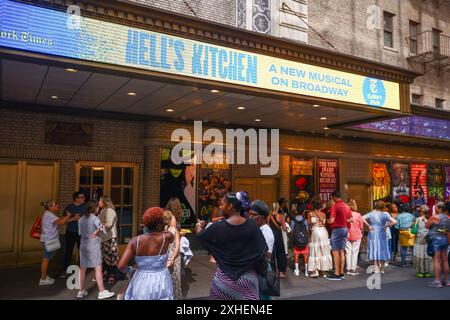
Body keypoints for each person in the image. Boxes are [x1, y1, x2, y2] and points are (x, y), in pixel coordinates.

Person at [196, 192, 268, 300]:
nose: (220, 206)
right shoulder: (252, 226)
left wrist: (198, 226)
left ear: (230, 206)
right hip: (248, 282)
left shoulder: (218, 227)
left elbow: (201, 236)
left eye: (223, 203)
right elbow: (262, 252)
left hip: (223, 282)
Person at [118, 207, 175, 299]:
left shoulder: (135, 241)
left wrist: (131, 269)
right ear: (160, 223)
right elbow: (172, 231)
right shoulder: (167, 237)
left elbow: (121, 266)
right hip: (161, 279)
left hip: (141, 279)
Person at [76, 201, 115, 299]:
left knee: (82, 269)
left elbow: (80, 233)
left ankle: (81, 291)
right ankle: (102, 291)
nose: (98, 209)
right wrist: (98, 230)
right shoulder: (95, 219)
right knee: (98, 268)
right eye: (98, 208)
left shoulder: (81, 219)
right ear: (95, 209)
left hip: (83, 245)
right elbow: (103, 230)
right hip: (93, 245)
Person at [40, 200, 71, 285]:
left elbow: (60, 221)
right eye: (55, 204)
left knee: (47, 258)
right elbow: (61, 222)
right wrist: (68, 215)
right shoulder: (49, 214)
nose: (57, 205)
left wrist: (69, 218)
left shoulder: (49, 214)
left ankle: (44, 276)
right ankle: (43, 279)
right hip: (49, 240)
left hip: (48, 239)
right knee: (46, 259)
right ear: (50, 206)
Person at [248, 200, 274, 300]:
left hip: (262, 270)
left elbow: (265, 255)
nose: (250, 217)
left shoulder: (266, 231)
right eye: (249, 214)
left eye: (254, 215)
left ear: (262, 217)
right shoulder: (256, 228)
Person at [363, 201, 397, 274]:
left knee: (374, 248)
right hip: (382, 232)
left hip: (373, 232)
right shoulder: (385, 215)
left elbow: (362, 218)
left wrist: (368, 225)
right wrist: (386, 226)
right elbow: (394, 221)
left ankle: (375, 268)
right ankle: (382, 269)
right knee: (382, 249)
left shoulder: (371, 213)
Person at [326, 191, 352, 280]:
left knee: (335, 251)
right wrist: (344, 221)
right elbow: (351, 219)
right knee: (342, 251)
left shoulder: (335, 206)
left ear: (334, 197)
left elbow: (332, 220)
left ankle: (336, 273)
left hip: (337, 230)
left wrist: (327, 221)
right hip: (345, 229)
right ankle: (341, 272)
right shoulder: (346, 206)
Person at [61, 191, 86, 278]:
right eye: (82, 197)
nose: (84, 198)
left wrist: (81, 219)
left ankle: (82, 271)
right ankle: (65, 270)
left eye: (83, 197)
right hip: (70, 232)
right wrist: (73, 218)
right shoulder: (69, 208)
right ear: (76, 199)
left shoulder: (85, 207)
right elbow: (63, 221)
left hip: (81, 233)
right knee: (68, 251)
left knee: (82, 252)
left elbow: (90, 219)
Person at [425, 202, 449, 287]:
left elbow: (427, 225)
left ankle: (437, 281)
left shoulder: (435, 217)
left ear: (439, 208)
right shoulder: (447, 217)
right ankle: (446, 280)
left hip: (436, 240)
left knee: (436, 260)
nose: (434, 208)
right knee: (445, 260)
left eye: (436, 207)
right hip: (445, 239)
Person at [307, 196, 332, 278]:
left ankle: (314, 270)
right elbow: (325, 224)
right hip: (324, 232)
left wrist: (309, 236)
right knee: (323, 251)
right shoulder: (323, 214)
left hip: (315, 231)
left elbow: (309, 226)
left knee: (315, 250)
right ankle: (323, 270)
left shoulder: (310, 214)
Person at [98, 196, 119, 284]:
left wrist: (99, 227)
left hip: (110, 237)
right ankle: (107, 274)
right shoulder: (103, 210)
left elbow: (109, 224)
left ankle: (112, 275)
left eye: (100, 201)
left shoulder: (109, 211)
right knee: (106, 257)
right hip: (104, 237)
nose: (98, 202)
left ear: (104, 202)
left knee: (112, 257)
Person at [164, 197, 182, 300]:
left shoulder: (167, 215)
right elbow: (174, 234)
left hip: (168, 252)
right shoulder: (173, 219)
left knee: (170, 277)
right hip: (172, 251)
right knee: (174, 277)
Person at [269, 199, 288, 278]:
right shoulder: (280, 216)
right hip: (278, 235)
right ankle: (281, 272)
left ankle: (273, 271)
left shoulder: (268, 216)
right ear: (277, 208)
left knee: (272, 253)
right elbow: (284, 228)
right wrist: (287, 230)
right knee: (281, 253)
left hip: (271, 235)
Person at [413, 205, 433, 278]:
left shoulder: (417, 219)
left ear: (421, 212)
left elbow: (413, 229)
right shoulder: (431, 219)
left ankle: (420, 272)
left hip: (419, 239)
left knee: (419, 255)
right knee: (428, 255)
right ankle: (428, 272)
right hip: (428, 239)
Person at [345, 199, 364, 276]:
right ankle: (353, 269)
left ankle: (348, 268)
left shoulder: (345, 214)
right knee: (355, 252)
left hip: (347, 234)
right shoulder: (358, 215)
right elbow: (361, 227)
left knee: (348, 252)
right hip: (356, 235)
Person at [292, 204, 309, 277]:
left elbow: (292, 231)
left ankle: (297, 270)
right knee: (305, 255)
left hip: (296, 240)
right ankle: (306, 271)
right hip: (304, 240)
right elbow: (307, 230)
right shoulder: (305, 221)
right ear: (303, 212)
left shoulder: (293, 221)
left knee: (296, 254)